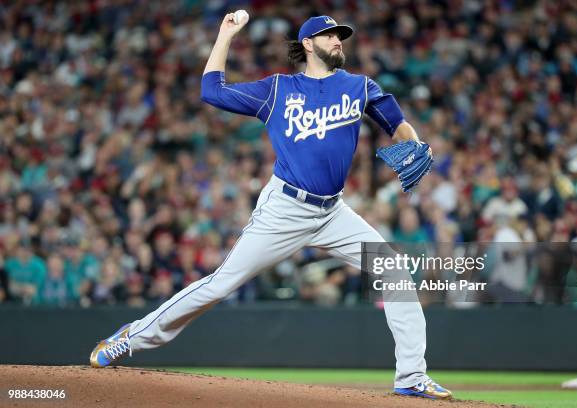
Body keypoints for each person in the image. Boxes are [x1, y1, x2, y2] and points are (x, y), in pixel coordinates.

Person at [90, 14, 451, 400]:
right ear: (308, 45)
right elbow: (212, 91)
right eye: (329, 35)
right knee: (220, 284)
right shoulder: (278, 89)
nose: (338, 41)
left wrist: (415, 143)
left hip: (333, 212)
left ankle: (412, 375)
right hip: (285, 208)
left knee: (393, 269)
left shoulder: (359, 87)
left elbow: (398, 125)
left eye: (340, 36)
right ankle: (132, 337)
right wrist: (225, 34)